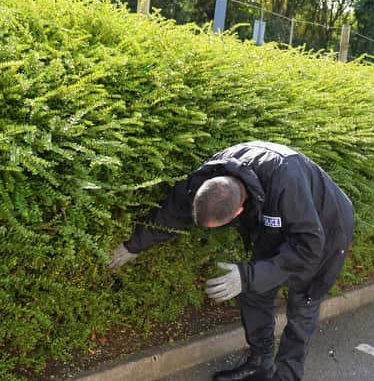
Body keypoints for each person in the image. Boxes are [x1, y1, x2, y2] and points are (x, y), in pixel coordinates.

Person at [108, 141, 354, 381]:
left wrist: (246, 276)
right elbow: (175, 210)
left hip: (326, 232)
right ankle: (260, 362)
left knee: (303, 305)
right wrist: (134, 246)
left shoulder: (285, 179)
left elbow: (308, 249)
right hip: (277, 227)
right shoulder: (212, 174)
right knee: (253, 292)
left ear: (238, 211)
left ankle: (287, 375)